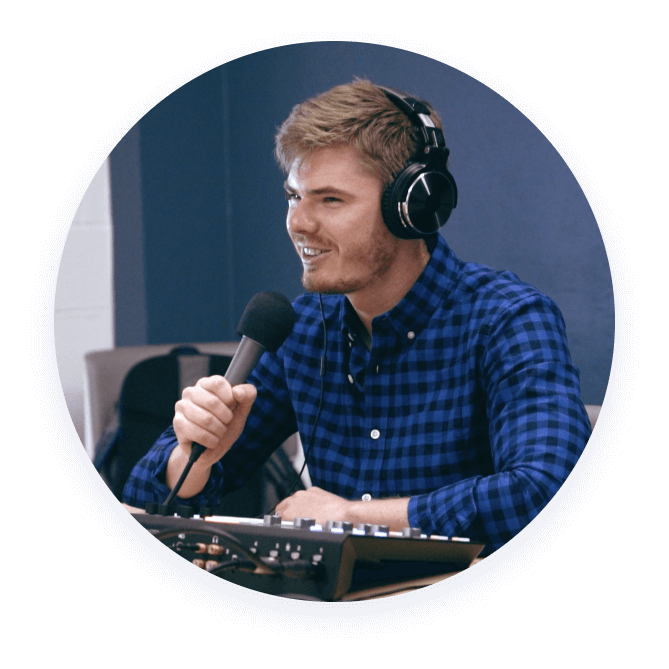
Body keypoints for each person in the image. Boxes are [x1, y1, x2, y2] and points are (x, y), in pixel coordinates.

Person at [122, 79, 591, 555]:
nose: (298, 223)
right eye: (293, 196)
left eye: (330, 200)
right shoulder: (302, 328)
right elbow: (143, 501)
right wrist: (193, 455)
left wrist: (351, 518)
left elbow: (547, 491)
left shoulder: (507, 320)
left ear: (413, 206)